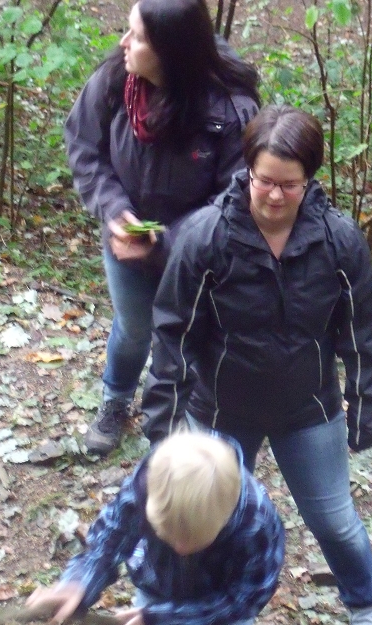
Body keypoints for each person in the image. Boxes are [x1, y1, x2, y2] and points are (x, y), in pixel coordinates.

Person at [142, 105, 372, 625]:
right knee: (199, 521)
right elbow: (172, 333)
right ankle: (164, 622)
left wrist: (367, 398)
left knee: (334, 521)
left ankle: (368, 616)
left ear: (310, 180)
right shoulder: (206, 237)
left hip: (308, 408)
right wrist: (165, 425)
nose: (275, 196)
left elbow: (361, 329)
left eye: (290, 184)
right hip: (220, 410)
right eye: (265, 181)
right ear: (247, 171)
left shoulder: (338, 241)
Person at [64, 0, 259, 455]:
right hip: (126, 238)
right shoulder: (116, 79)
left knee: (190, 333)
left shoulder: (231, 108)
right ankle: (116, 400)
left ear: (171, 50)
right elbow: (84, 146)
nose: (122, 42)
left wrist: (167, 243)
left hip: (202, 253)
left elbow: (234, 200)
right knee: (134, 327)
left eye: (137, 36)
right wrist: (116, 212)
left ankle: (185, 423)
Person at [26, 431, 284, 625]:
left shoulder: (256, 522)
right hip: (159, 581)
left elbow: (246, 597)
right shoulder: (147, 486)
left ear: (226, 517)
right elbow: (108, 542)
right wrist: (77, 585)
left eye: (195, 540)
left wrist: (159, 621)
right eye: (168, 535)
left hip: (224, 599)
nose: (181, 548)